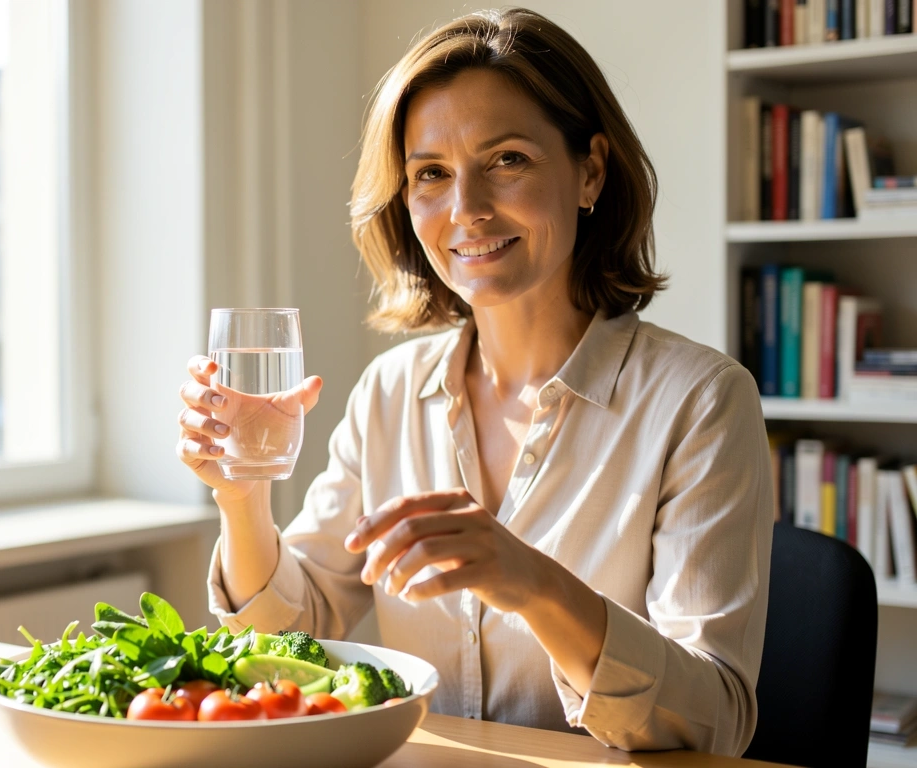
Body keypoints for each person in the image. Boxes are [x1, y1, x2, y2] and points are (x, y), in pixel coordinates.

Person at [176, 7, 772, 757]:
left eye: (508, 159)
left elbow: (711, 721)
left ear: (590, 169)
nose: (466, 210)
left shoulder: (702, 402)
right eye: (431, 174)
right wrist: (240, 497)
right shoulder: (389, 392)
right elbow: (287, 637)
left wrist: (534, 584)